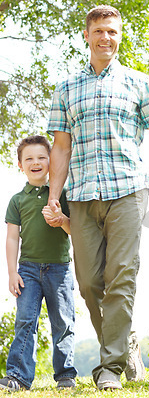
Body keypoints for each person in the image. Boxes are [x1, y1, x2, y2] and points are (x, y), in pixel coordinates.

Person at [46, 5, 149, 390]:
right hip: (80, 194)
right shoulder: (66, 88)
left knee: (121, 275)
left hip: (128, 188)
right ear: (87, 36)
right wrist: (54, 196)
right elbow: (60, 148)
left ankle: (109, 369)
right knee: (90, 282)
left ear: (119, 35)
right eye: (99, 31)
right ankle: (125, 344)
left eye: (112, 31)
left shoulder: (138, 83)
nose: (106, 37)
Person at [1, 135, 77, 392]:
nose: (36, 162)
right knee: (24, 321)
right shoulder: (17, 200)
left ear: (52, 161)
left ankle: (65, 375)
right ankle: (18, 377)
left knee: (63, 322)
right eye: (29, 158)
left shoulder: (61, 194)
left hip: (60, 268)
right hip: (28, 270)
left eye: (42, 157)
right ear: (20, 164)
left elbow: (73, 231)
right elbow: (12, 238)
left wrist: (61, 218)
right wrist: (12, 272)